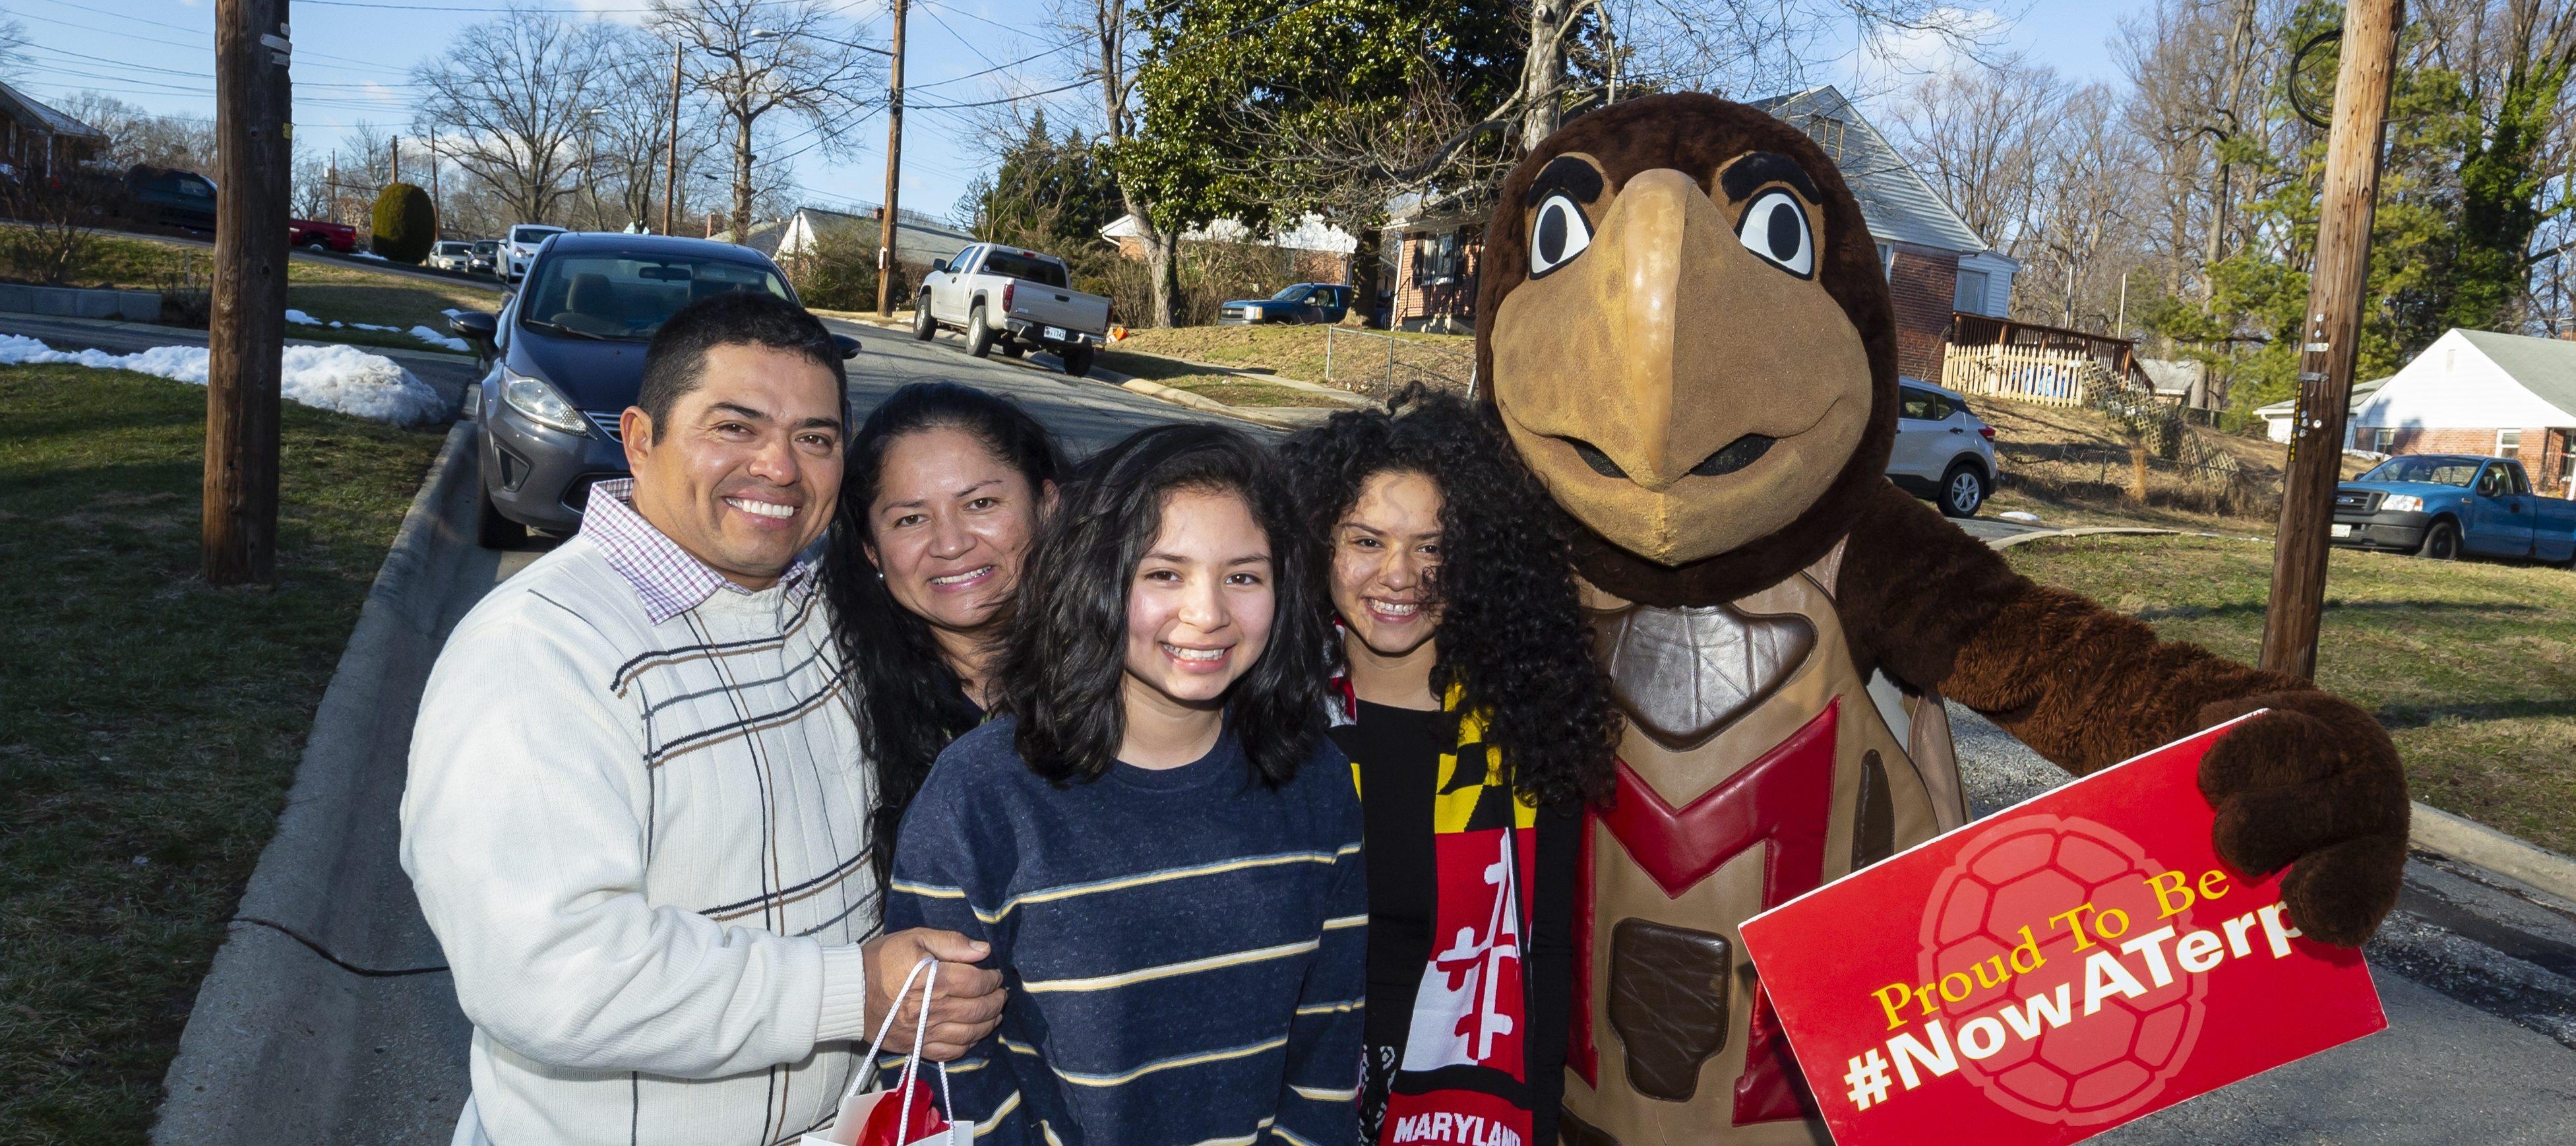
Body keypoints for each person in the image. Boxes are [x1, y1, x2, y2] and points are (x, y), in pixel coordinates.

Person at [401, 293, 1005, 1146]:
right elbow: (551, 972)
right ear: (641, 440)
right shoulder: (540, 652)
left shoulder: (819, 610)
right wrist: (852, 992)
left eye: (815, 438)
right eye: (735, 426)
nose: (780, 466)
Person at [884, 424, 1366, 1145]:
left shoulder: (1315, 781)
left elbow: (1328, 1050)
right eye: (1164, 573)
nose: (1206, 614)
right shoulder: (981, 797)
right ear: (1096, 578)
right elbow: (941, 1066)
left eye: (1244, 575)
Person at [1281, 388, 1622, 1146]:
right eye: (1366, 540)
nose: (1399, 576)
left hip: (1469, 1107)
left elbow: (1546, 954)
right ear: (1317, 544)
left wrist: (1534, 1119)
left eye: (1433, 547)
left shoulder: (1530, 722)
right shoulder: (1268, 716)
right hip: (1283, 1096)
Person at [823, 382, 1064, 905]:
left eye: (981, 503)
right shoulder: (838, 702)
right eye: (911, 519)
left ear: (1047, 505)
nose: (951, 543)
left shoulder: (1131, 676)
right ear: (871, 550)